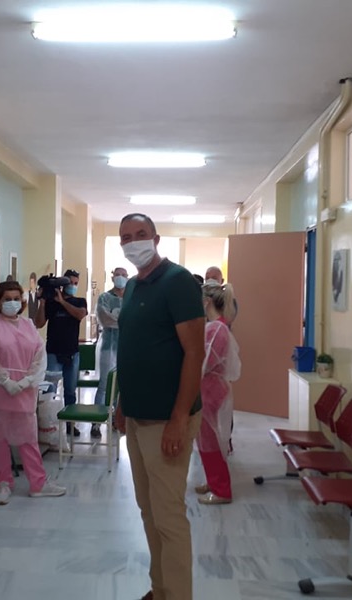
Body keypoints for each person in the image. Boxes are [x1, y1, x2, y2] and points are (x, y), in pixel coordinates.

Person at [115, 213, 205, 600]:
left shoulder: (178, 281)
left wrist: (179, 419)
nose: (133, 241)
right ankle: (161, 589)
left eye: (140, 234)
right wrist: (123, 402)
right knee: (148, 510)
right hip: (138, 416)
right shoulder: (134, 285)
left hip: (167, 419)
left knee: (168, 515)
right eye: (126, 237)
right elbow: (132, 348)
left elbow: (194, 352)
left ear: (156, 238)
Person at [0, 280, 66, 504]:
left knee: (28, 438)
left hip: (23, 391)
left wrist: (27, 380)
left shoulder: (28, 326)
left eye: (16, 298)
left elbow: (39, 354)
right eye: (7, 299)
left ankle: (38, 483)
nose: (12, 303)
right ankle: (3, 483)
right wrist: (4, 380)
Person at [195, 282, 241, 505]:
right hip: (209, 388)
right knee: (206, 439)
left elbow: (204, 362)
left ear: (207, 302)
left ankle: (221, 489)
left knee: (211, 440)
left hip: (210, 390)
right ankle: (213, 481)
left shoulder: (216, 329)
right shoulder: (217, 326)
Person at [34, 268, 88, 435]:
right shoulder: (51, 303)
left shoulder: (80, 301)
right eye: (70, 283)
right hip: (53, 352)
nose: (73, 286)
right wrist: (43, 302)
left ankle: (70, 424)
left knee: (70, 391)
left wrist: (63, 302)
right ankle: (46, 425)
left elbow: (80, 315)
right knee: (49, 390)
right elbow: (39, 323)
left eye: (76, 283)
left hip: (72, 353)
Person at [92, 266, 128, 437]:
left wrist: (120, 319)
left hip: (127, 346)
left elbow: (137, 320)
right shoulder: (104, 298)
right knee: (105, 384)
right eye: (117, 275)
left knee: (122, 385)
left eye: (123, 275)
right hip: (108, 346)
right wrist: (124, 320)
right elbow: (104, 319)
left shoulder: (132, 298)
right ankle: (96, 422)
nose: (120, 277)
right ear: (112, 277)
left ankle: (116, 419)